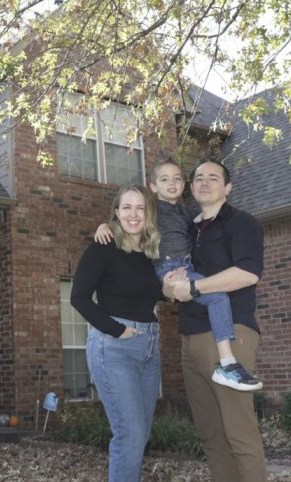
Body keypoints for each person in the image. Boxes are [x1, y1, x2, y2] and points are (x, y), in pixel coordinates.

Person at [95, 160, 262, 391]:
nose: (171, 183)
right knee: (218, 297)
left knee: (216, 296)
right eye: (164, 180)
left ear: (184, 185)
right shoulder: (152, 210)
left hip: (186, 267)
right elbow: (130, 219)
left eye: (177, 179)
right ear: (153, 186)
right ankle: (227, 362)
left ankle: (226, 362)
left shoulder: (188, 213)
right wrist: (106, 226)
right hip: (167, 267)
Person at [165, 159, 267, 482]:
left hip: (229, 334)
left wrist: (195, 287)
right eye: (199, 178)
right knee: (211, 435)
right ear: (191, 187)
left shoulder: (242, 223)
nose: (204, 182)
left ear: (228, 188)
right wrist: (170, 286)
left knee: (240, 434)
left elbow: (247, 273)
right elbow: (170, 281)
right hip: (189, 337)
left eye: (213, 177)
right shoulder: (185, 228)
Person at [70, 184, 163, 482]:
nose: (134, 214)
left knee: (140, 435)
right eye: (127, 207)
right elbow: (79, 297)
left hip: (149, 348)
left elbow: (157, 293)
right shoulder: (104, 246)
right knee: (130, 435)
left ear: (149, 213)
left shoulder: (151, 253)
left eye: (140, 208)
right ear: (116, 213)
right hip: (114, 347)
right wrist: (117, 329)